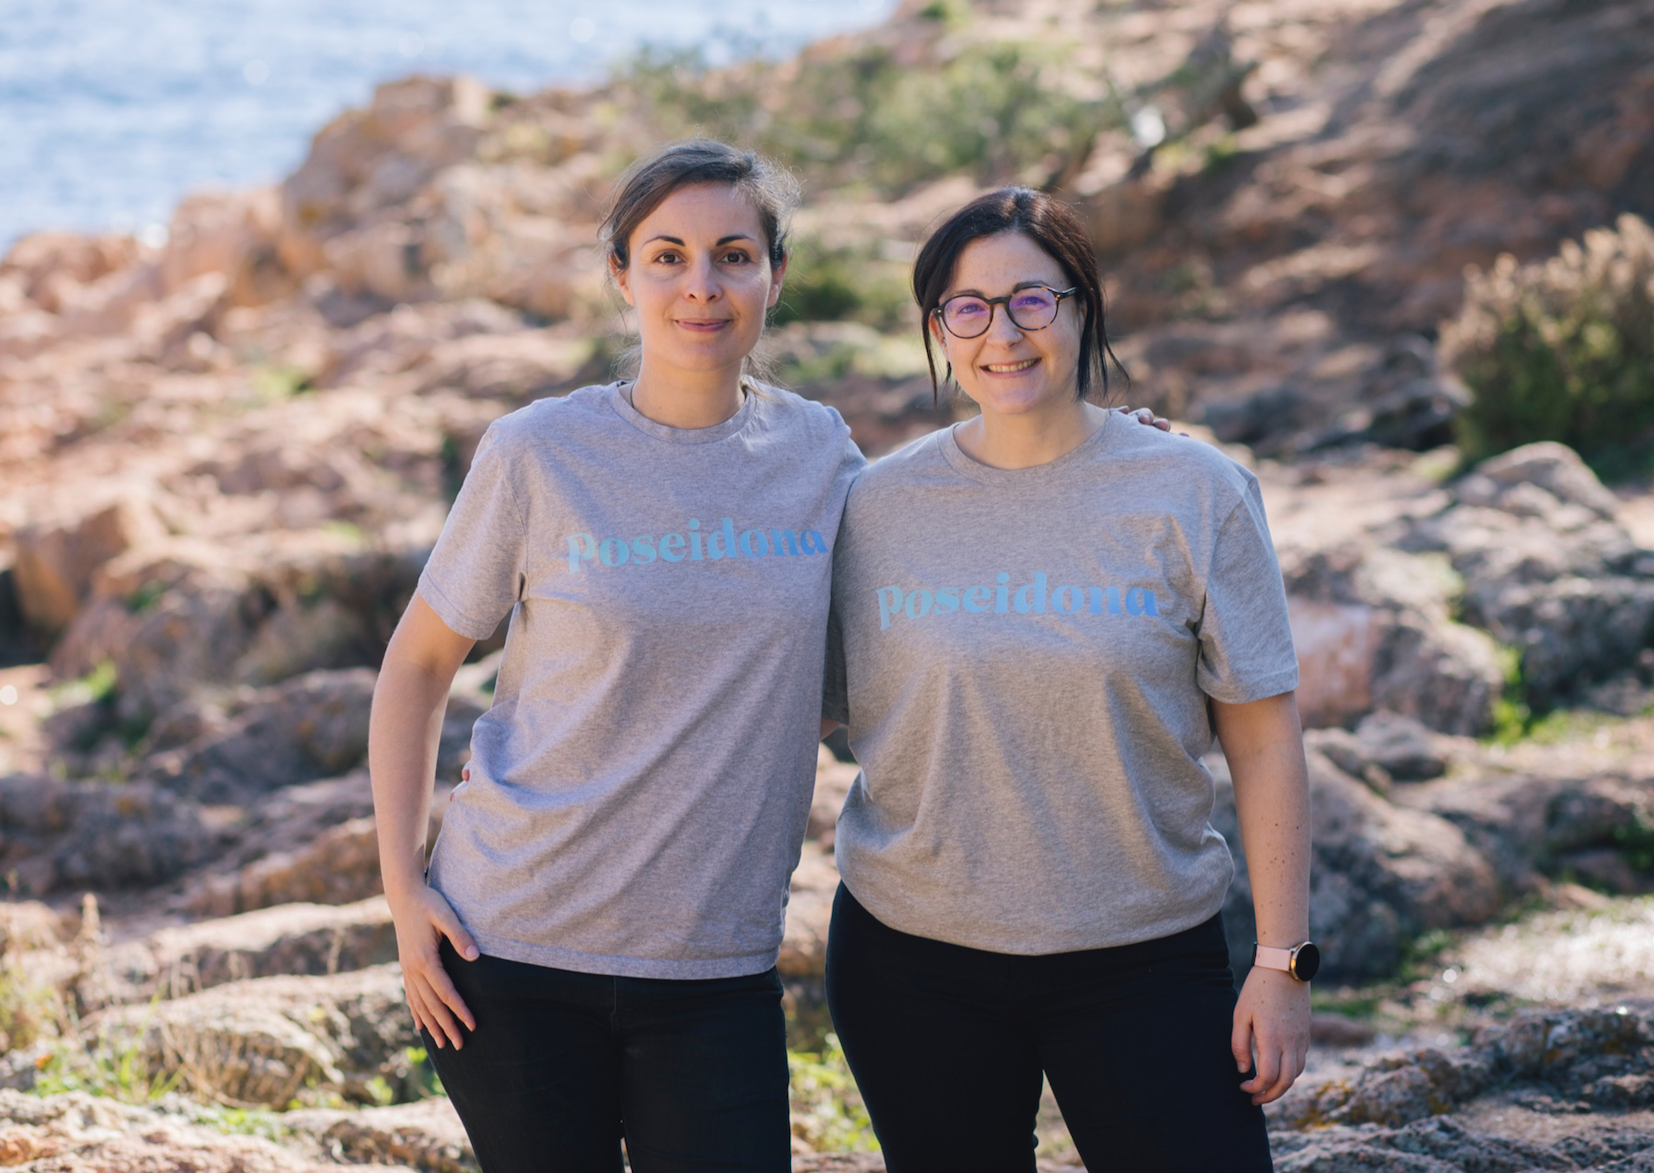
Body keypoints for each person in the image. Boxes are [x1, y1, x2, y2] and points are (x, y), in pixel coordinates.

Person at [366, 140, 865, 1173]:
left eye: (733, 255)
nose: (701, 285)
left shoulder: (823, 456)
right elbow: (416, 667)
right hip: (511, 953)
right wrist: (403, 892)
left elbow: (934, 563)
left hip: (715, 966)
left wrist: (1089, 460)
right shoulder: (538, 452)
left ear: (774, 275)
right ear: (621, 277)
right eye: (667, 255)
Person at [821, 186, 1314, 1172]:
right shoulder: (871, 509)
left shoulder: (1195, 492)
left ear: (1083, 306)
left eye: (1032, 301)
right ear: (938, 330)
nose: (1002, 333)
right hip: (913, 960)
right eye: (968, 308)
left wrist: (1280, 965)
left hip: (1143, 955)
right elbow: (758, 684)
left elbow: (1264, 738)